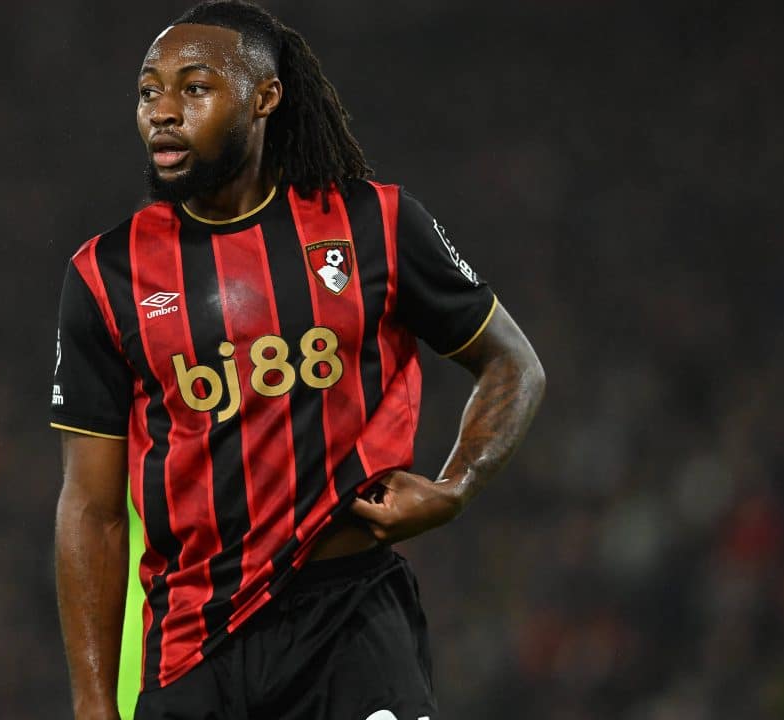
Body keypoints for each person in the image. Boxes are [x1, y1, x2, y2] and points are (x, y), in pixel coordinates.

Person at [50, 1, 545, 718]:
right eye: (148, 90)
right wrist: (94, 707)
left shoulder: (374, 223)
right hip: (193, 645)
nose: (163, 111)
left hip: (350, 619)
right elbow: (92, 509)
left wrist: (457, 484)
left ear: (265, 97)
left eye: (195, 87)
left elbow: (512, 365)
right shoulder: (106, 274)